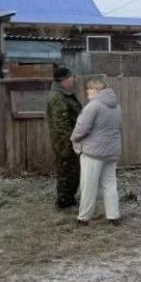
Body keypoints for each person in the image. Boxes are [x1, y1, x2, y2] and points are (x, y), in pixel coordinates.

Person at [71, 78, 122, 226]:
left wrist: (73, 138)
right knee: (110, 184)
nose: (87, 91)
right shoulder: (116, 106)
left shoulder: (94, 106)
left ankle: (83, 218)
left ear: (98, 90)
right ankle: (113, 216)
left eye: (90, 88)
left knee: (88, 186)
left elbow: (82, 128)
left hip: (93, 153)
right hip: (111, 152)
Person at [46, 66, 83, 209]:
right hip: (65, 143)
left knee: (72, 171)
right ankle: (64, 202)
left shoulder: (63, 94)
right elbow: (61, 125)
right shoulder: (57, 97)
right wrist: (71, 143)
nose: (73, 79)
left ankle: (69, 199)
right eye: (71, 77)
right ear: (64, 79)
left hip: (69, 141)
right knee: (66, 171)